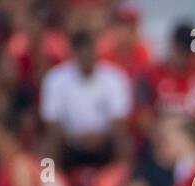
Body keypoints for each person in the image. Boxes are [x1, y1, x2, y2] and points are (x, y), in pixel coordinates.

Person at [39, 29, 132, 172]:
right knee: (47, 146)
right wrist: (73, 137)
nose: (87, 57)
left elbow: (119, 120)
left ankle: (119, 183)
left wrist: (100, 136)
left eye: (90, 52)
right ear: (74, 54)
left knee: (124, 142)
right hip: (69, 141)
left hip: (104, 140)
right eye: (82, 53)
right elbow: (51, 121)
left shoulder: (115, 77)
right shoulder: (55, 78)